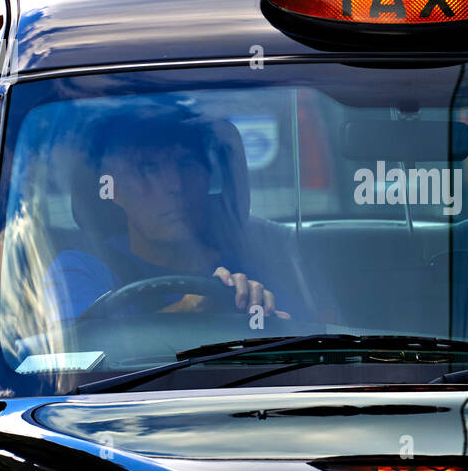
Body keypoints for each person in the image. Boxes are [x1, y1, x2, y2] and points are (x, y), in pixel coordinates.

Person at [44, 110, 293, 326]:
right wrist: (186, 315)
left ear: (209, 179)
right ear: (114, 190)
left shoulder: (254, 268)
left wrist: (270, 327)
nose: (175, 185)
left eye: (187, 164)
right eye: (148, 168)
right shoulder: (79, 271)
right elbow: (71, 357)